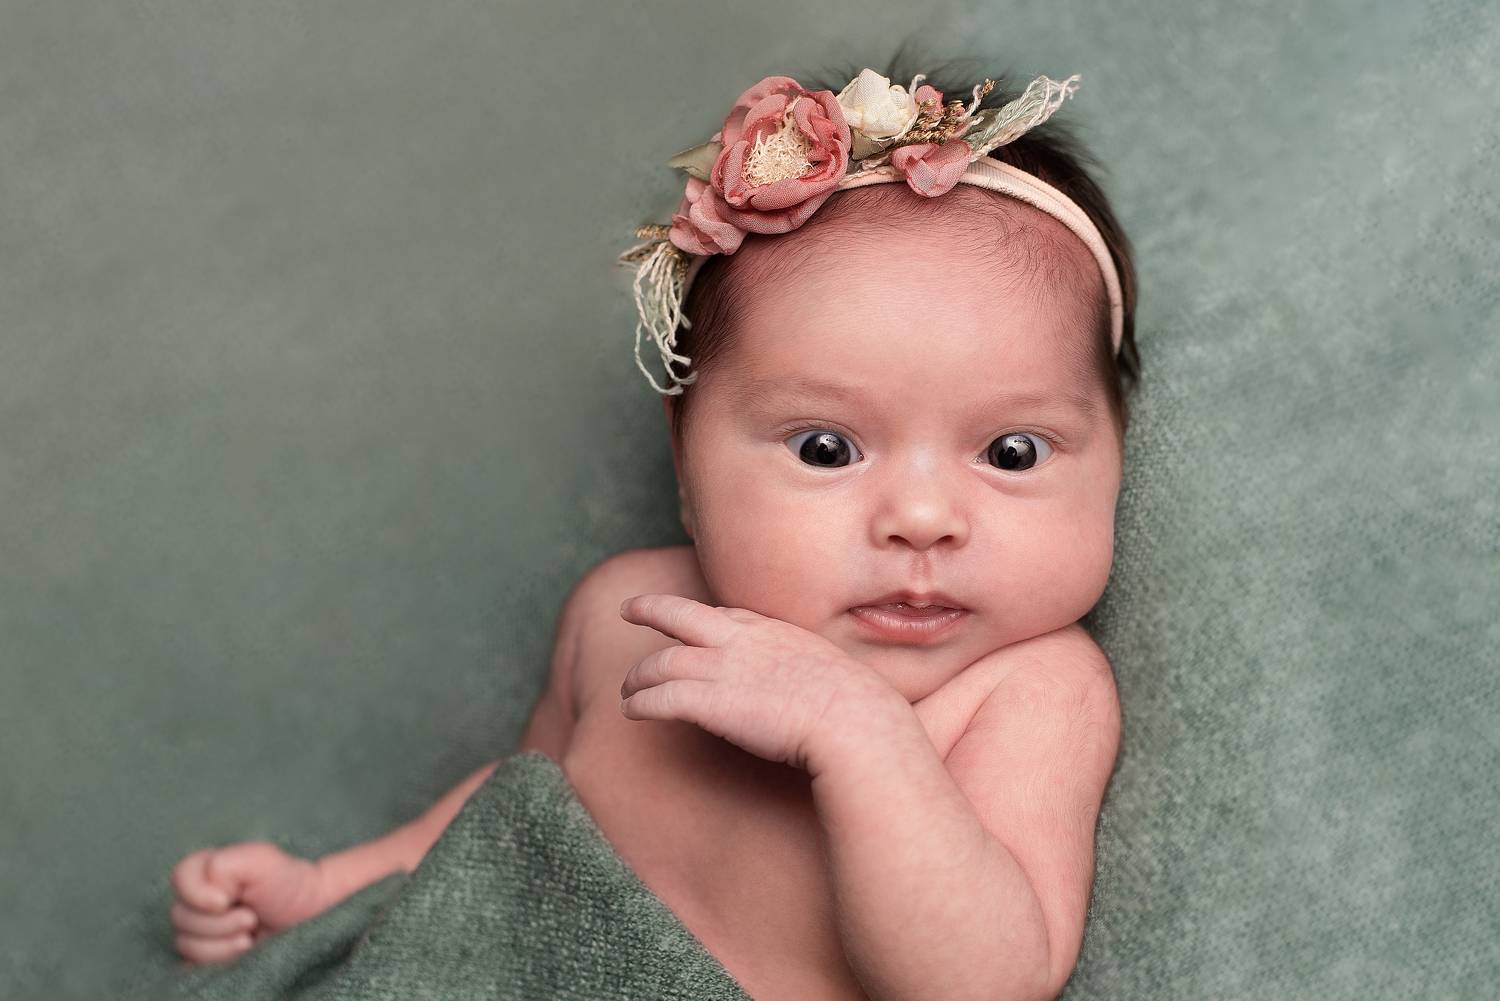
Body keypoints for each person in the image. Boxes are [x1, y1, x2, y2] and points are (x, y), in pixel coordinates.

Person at [166, 52, 1139, 1001]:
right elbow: (509, 821)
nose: (922, 520)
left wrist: (862, 733)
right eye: (826, 448)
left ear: (1117, 453)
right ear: (685, 456)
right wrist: (332, 886)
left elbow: (989, 978)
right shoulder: (627, 615)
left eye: (1013, 452)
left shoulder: (1029, 690)